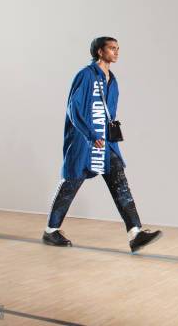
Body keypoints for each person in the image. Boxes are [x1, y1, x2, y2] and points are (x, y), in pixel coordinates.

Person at [43, 36, 162, 253]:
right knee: (70, 184)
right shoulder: (86, 75)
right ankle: (51, 230)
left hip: (105, 143)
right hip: (84, 142)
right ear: (100, 51)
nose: (116, 52)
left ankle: (135, 232)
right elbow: (74, 108)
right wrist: (89, 134)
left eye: (118, 49)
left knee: (120, 183)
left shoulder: (112, 80)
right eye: (111, 48)